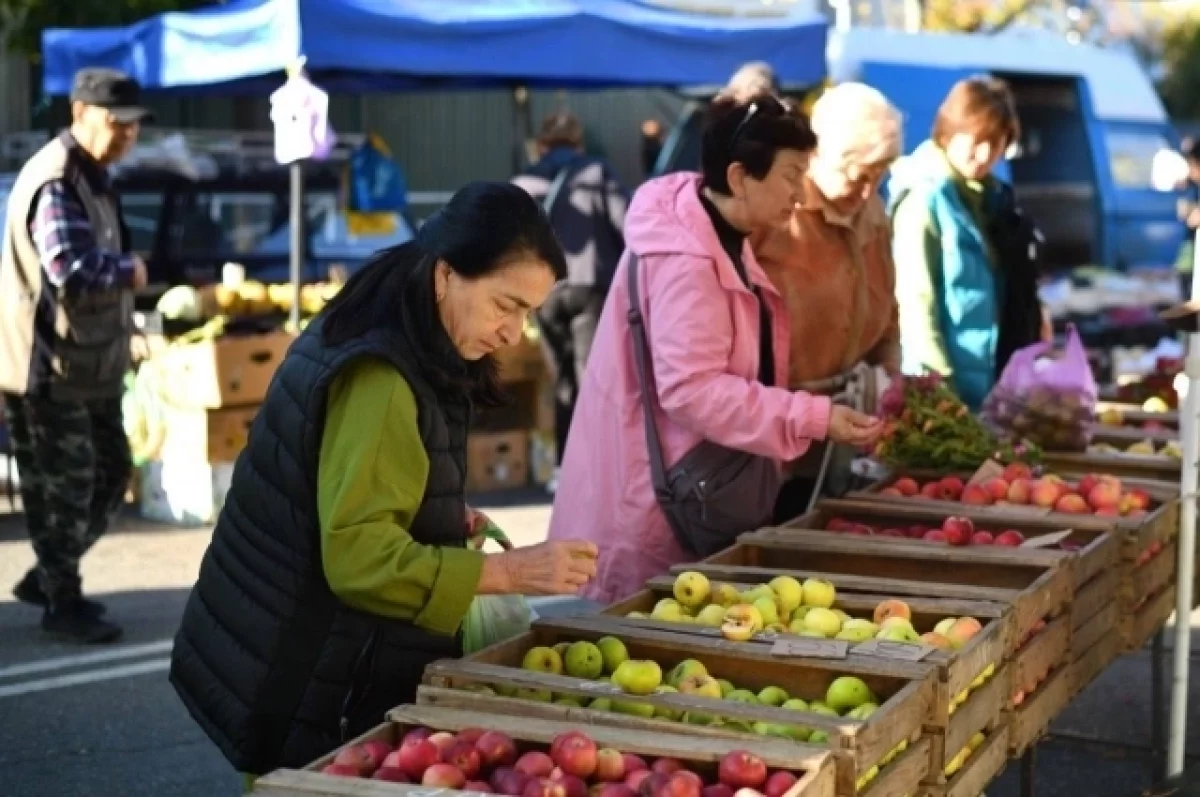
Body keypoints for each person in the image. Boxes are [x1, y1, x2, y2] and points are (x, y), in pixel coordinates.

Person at [169, 182, 599, 779]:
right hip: (310, 683)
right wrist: (512, 571)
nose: (513, 332)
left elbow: (359, 483)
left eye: (527, 313)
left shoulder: (396, 320)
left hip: (290, 660)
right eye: (506, 305)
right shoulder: (383, 375)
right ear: (447, 273)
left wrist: (435, 513)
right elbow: (359, 556)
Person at [546, 94, 883, 604]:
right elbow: (693, 390)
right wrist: (811, 416)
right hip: (655, 505)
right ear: (741, 175)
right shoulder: (688, 258)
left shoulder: (717, 233)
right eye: (792, 175)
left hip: (679, 489)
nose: (800, 191)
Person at [0, 67, 151, 644]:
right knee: (64, 488)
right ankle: (63, 600)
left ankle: (48, 577)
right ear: (80, 113)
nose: (127, 136)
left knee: (112, 472)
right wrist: (130, 271)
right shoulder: (58, 180)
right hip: (48, 369)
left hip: (90, 365)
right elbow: (71, 269)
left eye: (135, 127)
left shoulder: (94, 176)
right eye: (117, 123)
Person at [751, 82, 904, 521]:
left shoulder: (874, 215)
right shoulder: (780, 213)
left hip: (843, 432)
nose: (868, 186)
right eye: (859, 173)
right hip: (772, 432)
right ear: (818, 154)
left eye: (880, 173)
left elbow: (887, 310)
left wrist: (889, 376)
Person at [889, 75, 1026, 410]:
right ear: (949, 130)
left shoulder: (987, 199)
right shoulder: (924, 198)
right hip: (943, 392)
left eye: (995, 144)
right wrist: (936, 385)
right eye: (975, 140)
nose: (984, 154)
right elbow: (916, 301)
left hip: (984, 388)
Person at [511, 112, 629, 492]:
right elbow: (626, 223)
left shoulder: (523, 182)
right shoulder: (598, 172)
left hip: (542, 292)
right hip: (591, 286)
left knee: (561, 380)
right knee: (591, 378)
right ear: (578, 143)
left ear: (542, 144)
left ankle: (564, 468)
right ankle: (594, 468)